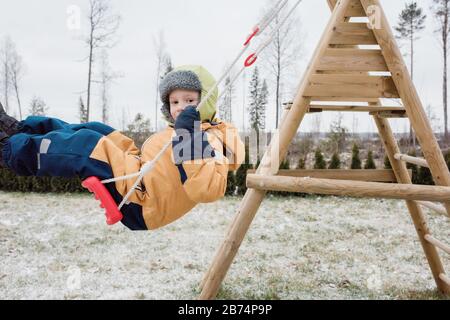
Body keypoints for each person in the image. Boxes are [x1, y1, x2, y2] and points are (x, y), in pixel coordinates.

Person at [0, 65, 245, 231]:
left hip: (143, 203)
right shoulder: (188, 130)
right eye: (174, 101)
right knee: (97, 130)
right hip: (140, 172)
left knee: (88, 145)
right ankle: (19, 130)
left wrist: (189, 136)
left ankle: (8, 150)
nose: (180, 107)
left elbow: (207, 190)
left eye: (190, 100)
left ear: (207, 101)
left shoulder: (207, 139)